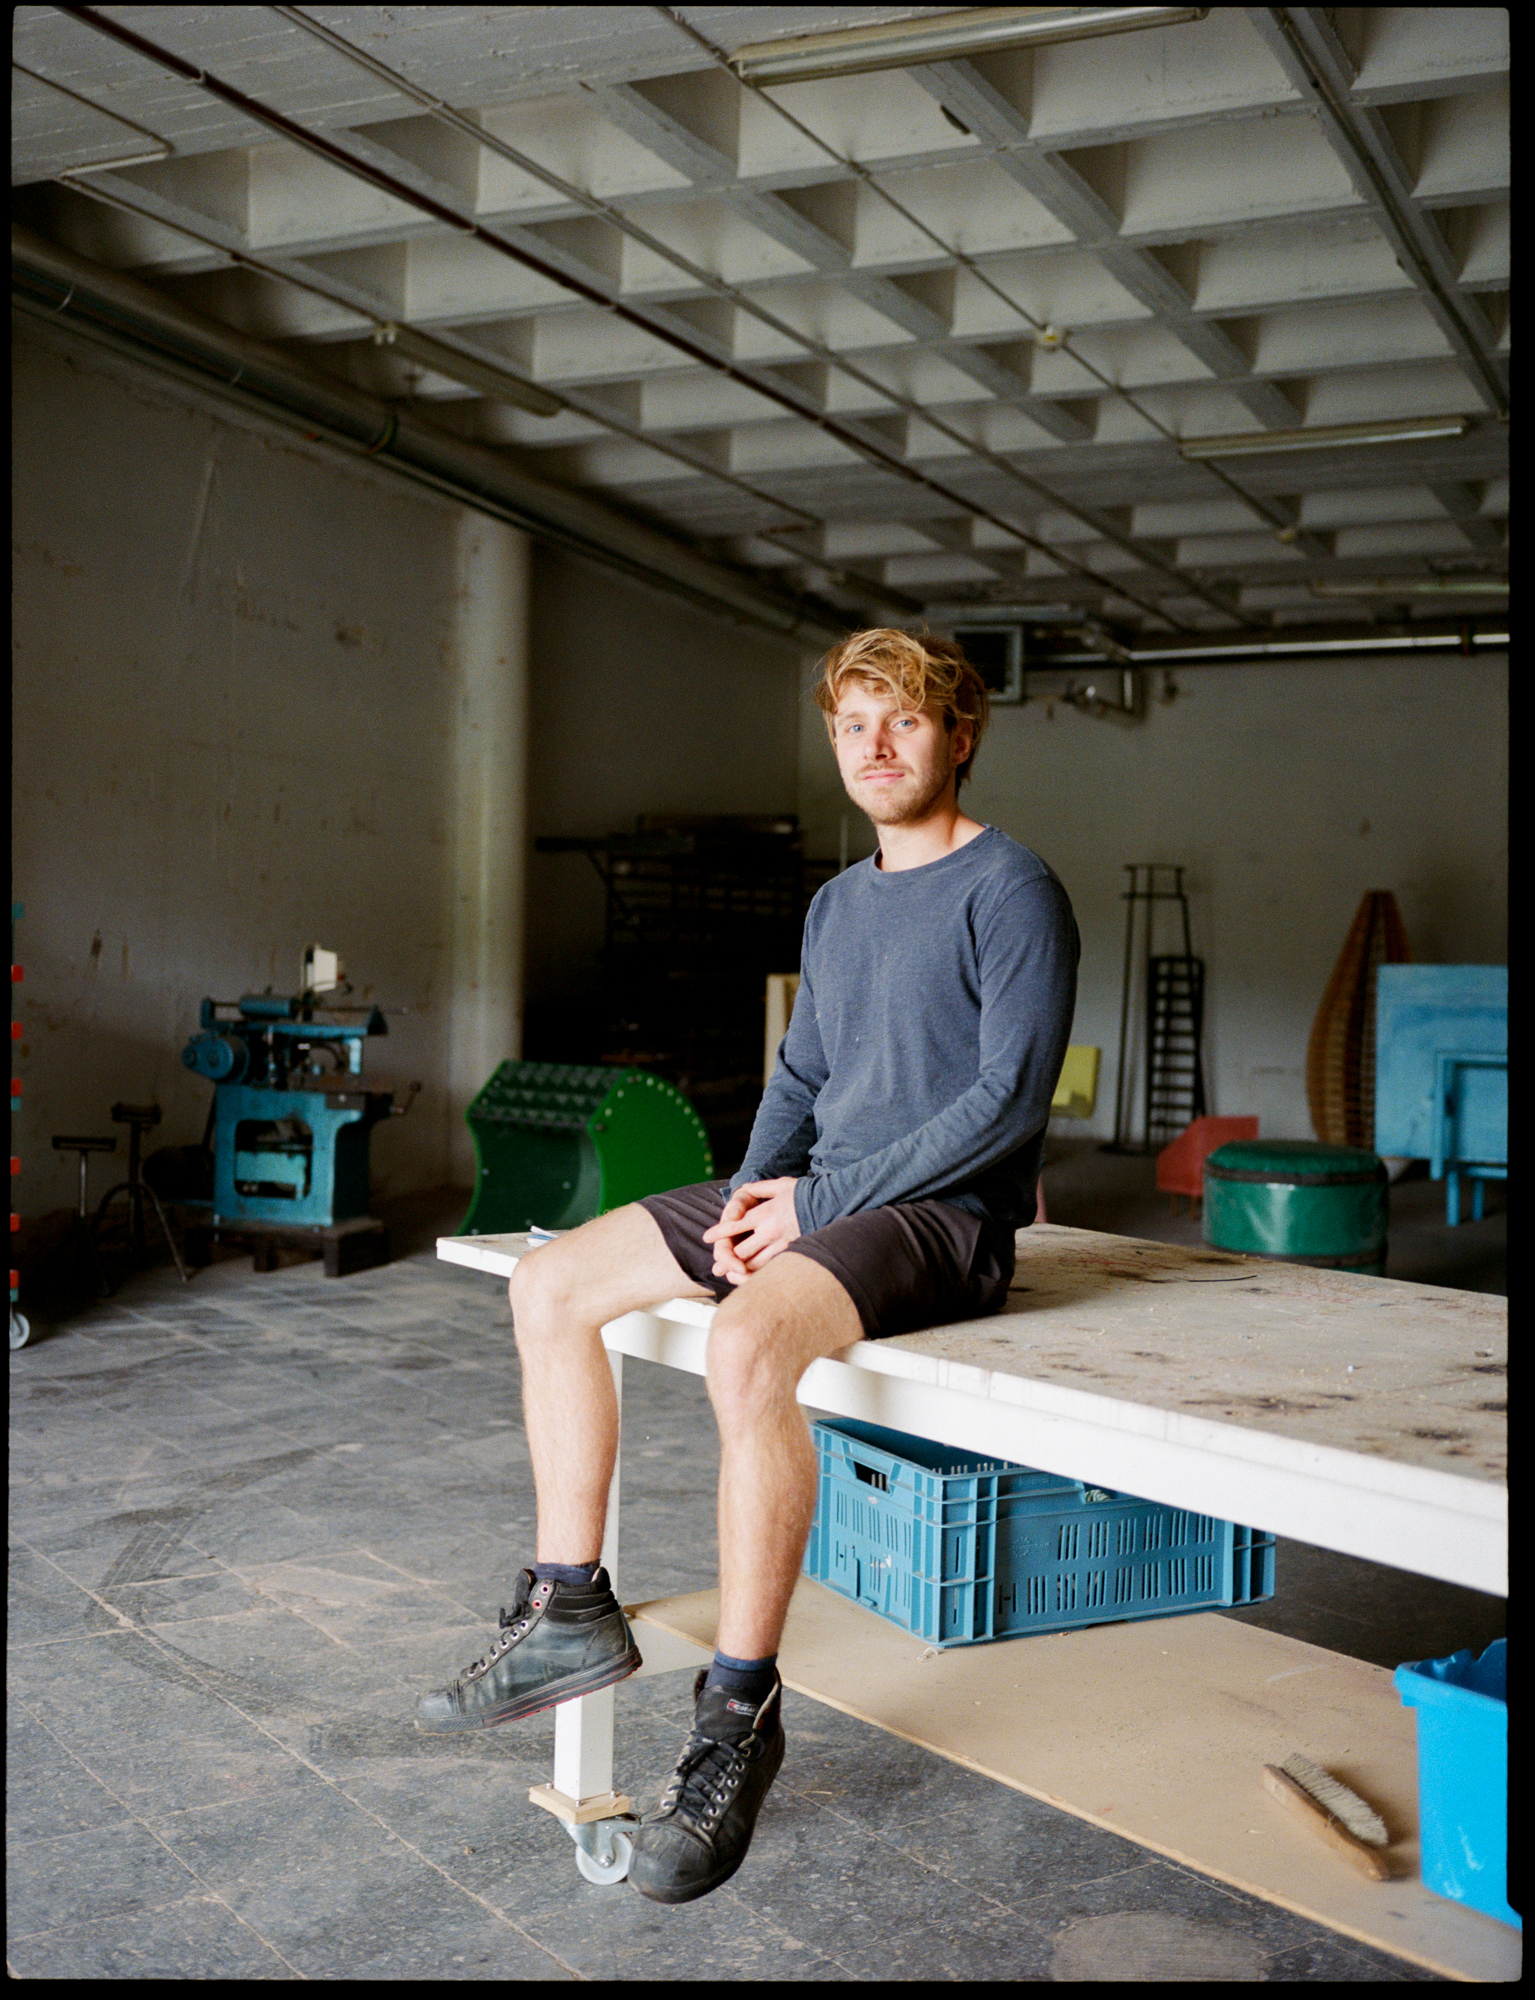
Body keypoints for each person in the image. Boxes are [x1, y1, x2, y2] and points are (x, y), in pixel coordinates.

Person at [415, 626, 1079, 1905]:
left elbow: (1005, 1101)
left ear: (958, 735)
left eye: (902, 720)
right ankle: (568, 1606)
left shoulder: (1011, 889)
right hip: (822, 1192)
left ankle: (737, 1714)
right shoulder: (837, 904)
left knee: (744, 1339)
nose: (874, 746)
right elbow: (804, 1072)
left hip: (946, 1219)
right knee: (549, 1285)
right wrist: (746, 1197)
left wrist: (813, 1201)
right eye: (852, 724)